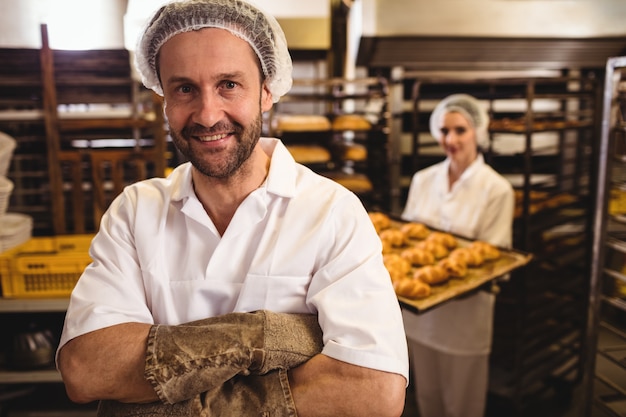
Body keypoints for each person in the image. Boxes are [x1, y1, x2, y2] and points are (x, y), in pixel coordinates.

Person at [55, 1, 409, 416]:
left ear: (266, 91)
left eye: (228, 85)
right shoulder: (136, 211)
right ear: (163, 98)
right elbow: (87, 369)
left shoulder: (331, 212)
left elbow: (373, 393)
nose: (207, 115)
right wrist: (265, 335)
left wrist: (165, 407)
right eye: (184, 88)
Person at [401, 94, 515, 417]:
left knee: (463, 406)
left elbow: (493, 262)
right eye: (444, 130)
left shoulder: (496, 190)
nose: (450, 139)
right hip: (418, 318)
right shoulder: (423, 180)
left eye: (460, 130)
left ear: (478, 131)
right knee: (428, 401)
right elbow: (408, 244)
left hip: (464, 322)